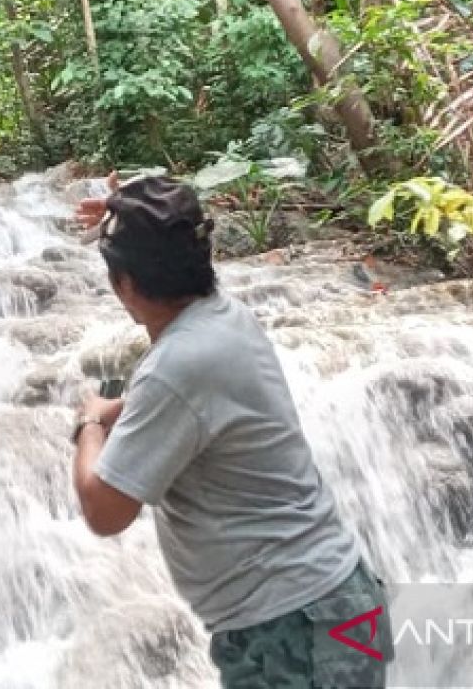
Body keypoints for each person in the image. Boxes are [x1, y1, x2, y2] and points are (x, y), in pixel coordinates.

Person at [71, 175, 390, 688]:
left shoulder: (174, 369)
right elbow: (199, 403)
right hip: (334, 601)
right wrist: (124, 205)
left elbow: (105, 510)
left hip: (292, 628)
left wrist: (89, 421)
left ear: (124, 286)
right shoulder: (224, 317)